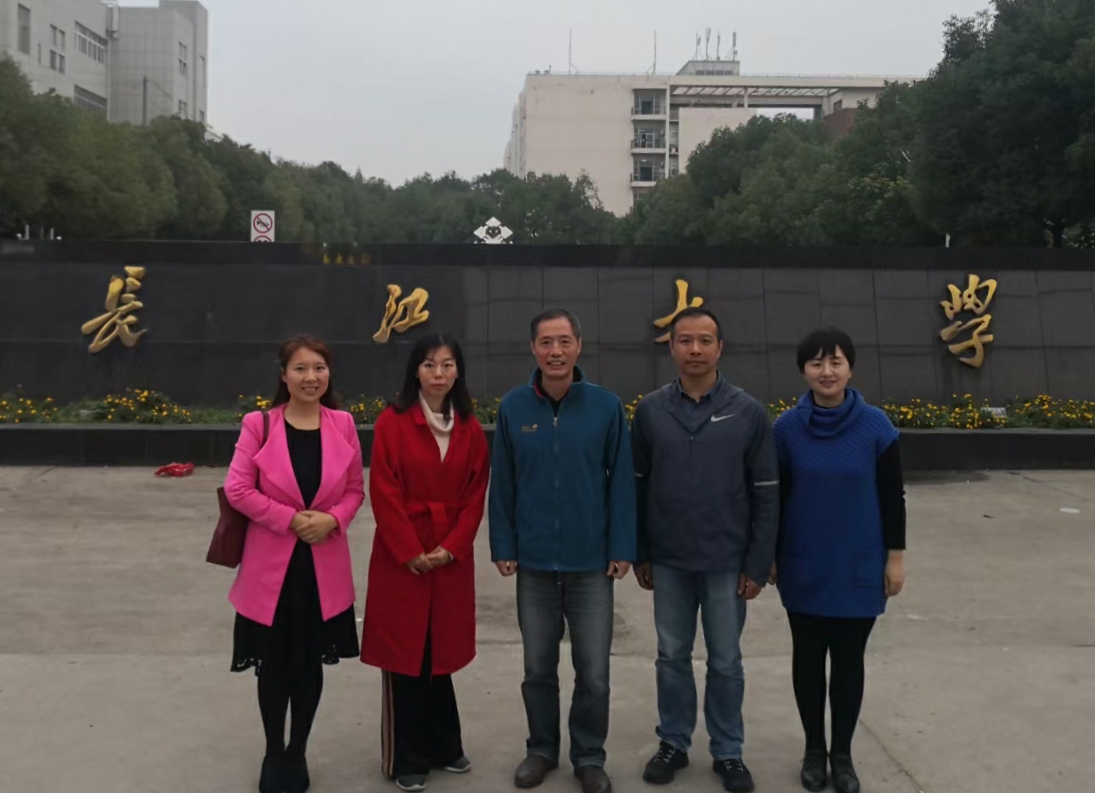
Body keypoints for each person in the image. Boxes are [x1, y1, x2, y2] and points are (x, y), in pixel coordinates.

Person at [630, 307, 779, 793]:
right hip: (669, 560)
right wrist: (641, 551)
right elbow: (637, 485)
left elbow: (766, 492)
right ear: (672, 347)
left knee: (726, 660)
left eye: (705, 340)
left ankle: (728, 751)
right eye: (685, 340)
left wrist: (758, 561)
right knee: (671, 655)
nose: (695, 349)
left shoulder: (748, 411)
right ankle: (673, 742)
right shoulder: (651, 410)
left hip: (726, 562)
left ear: (720, 348)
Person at [489, 309, 637, 793]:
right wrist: (504, 544)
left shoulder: (605, 406)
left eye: (564, 341)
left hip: (590, 564)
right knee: (538, 668)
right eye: (546, 342)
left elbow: (622, 485)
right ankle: (541, 749)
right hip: (533, 564)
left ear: (579, 345)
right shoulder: (514, 407)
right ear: (533, 348)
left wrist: (622, 546)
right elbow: (503, 483)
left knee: (594, 672)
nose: (555, 351)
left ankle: (589, 756)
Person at [225, 335, 365, 793]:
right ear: (284, 375)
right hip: (271, 570)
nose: (311, 377)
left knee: (308, 665)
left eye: (319, 368)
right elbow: (238, 489)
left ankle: (298, 750)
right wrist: (289, 520)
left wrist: (332, 519)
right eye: (300, 369)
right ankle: (273, 750)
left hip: (322, 569)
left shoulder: (343, 424)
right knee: (273, 665)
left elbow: (354, 490)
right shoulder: (259, 425)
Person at [771, 328, 906, 793]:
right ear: (803, 370)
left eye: (836, 362)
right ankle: (814, 750)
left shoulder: (877, 427)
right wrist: (770, 557)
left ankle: (842, 755)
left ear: (851, 367)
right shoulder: (786, 430)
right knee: (808, 661)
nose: (826, 371)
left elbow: (892, 499)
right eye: (816, 363)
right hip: (804, 564)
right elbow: (776, 500)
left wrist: (895, 558)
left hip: (858, 566)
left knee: (849, 663)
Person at [362, 333, 490, 793]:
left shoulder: (469, 427)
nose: (439, 374)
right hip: (404, 557)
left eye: (448, 365)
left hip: (449, 557)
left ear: (458, 371)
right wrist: (409, 549)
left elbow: (475, 495)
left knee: (439, 651)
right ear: (415, 371)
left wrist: (452, 546)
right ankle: (407, 756)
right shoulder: (393, 422)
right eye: (430, 365)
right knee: (406, 653)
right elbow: (384, 491)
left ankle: (444, 745)